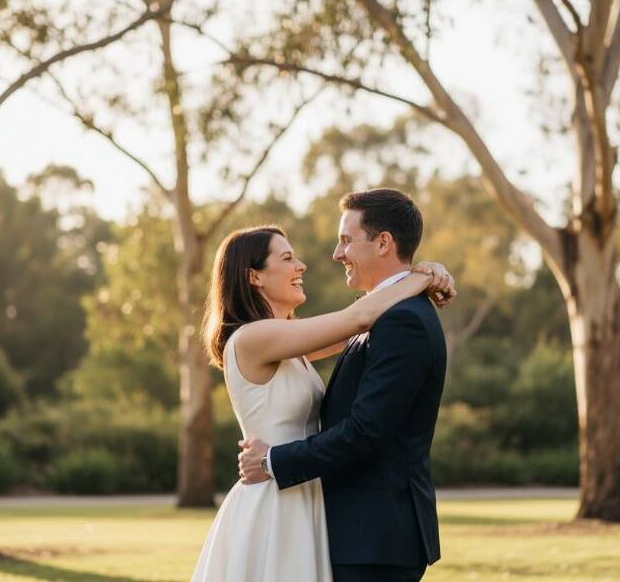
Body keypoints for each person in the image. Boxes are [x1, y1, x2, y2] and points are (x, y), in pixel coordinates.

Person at [192, 192, 453, 582]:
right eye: (287, 259)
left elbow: (361, 324)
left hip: (304, 496)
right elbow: (358, 318)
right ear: (254, 276)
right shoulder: (254, 339)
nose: (303, 265)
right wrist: (423, 276)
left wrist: (425, 272)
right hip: (275, 495)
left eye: (346, 241)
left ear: (383, 242)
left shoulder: (291, 343)